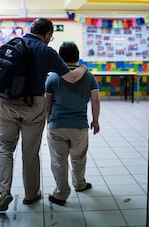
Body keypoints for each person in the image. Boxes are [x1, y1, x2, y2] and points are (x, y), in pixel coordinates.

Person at [0, 18, 88, 212]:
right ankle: (31, 194)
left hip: (6, 102)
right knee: (30, 152)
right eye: (50, 36)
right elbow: (70, 78)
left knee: (5, 148)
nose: (50, 39)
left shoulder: (11, 44)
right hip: (33, 105)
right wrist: (83, 68)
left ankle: (4, 192)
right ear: (46, 34)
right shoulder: (46, 51)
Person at [45, 42, 100, 206]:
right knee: (78, 158)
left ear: (60, 57)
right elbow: (95, 100)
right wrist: (95, 120)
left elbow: (47, 104)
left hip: (57, 125)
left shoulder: (53, 77)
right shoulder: (88, 76)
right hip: (79, 126)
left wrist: (49, 121)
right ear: (77, 57)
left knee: (58, 160)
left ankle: (61, 194)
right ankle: (80, 184)